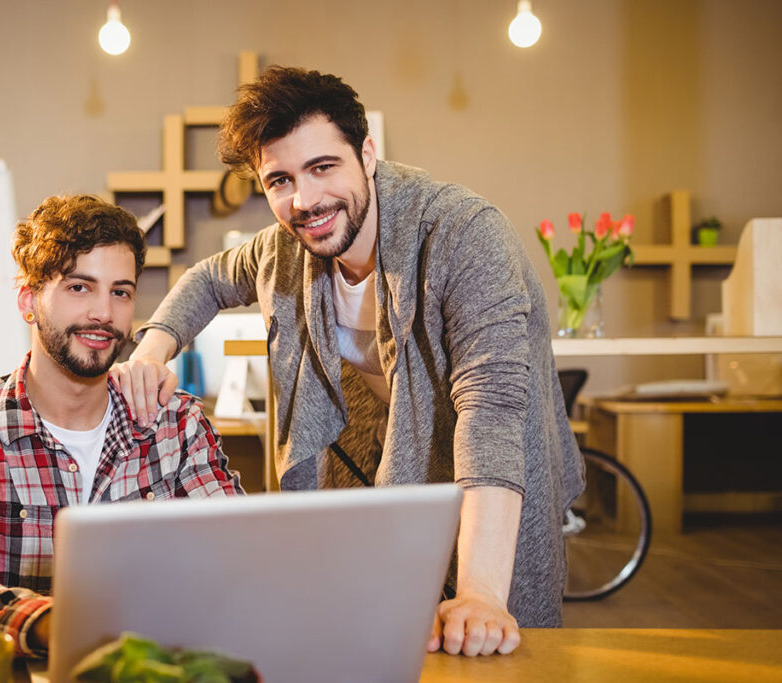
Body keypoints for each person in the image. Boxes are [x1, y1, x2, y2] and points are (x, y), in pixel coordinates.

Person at [113, 67, 584, 657]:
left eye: (322, 167)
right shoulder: (284, 247)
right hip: (379, 469)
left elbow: (491, 412)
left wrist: (481, 593)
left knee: (493, 641)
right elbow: (208, 279)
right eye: (279, 180)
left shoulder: (463, 234)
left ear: (367, 154)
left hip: (493, 475)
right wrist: (152, 350)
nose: (304, 201)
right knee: (369, 638)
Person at [0, 194, 242, 658]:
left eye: (120, 292)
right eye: (79, 287)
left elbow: (239, 560)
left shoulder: (176, 425)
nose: (104, 313)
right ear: (28, 300)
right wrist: (54, 624)